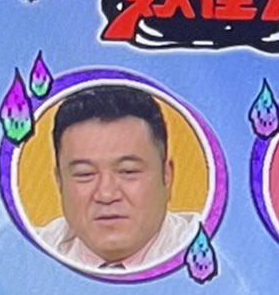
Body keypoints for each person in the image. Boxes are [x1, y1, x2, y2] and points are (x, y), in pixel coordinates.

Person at [35, 85, 200, 272]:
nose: (106, 194)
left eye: (128, 171)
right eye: (84, 173)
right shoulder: (27, 256)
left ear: (167, 176)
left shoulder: (208, 249)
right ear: (60, 182)